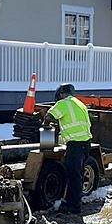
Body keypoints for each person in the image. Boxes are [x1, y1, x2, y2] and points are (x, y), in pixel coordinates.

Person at [43, 84, 93, 215]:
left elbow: (49, 116)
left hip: (75, 145)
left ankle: (74, 206)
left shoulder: (63, 103)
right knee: (78, 175)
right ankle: (73, 202)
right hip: (86, 144)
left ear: (60, 94)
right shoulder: (80, 104)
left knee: (73, 176)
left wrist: (46, 126)